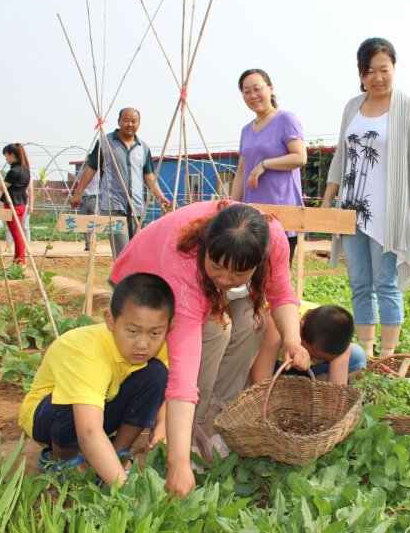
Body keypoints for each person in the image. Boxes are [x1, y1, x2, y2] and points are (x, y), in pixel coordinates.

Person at [108, 200, 308, 496]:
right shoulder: (184, 258)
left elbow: (282, 294)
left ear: (258, 261)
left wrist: (292, 337)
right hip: (146, 283)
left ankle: (214, 422)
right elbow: (183, 375)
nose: (226, 280)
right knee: (217, 326)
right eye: (217, 268)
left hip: (200, 280)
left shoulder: (273, 238)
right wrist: (177, 464)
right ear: (206, 250)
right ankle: (188, 433)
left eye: (238, 275)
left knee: (252, 321)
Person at [321, 37, 410, 360]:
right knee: (359, 283)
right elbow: (341, 155)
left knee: (386, 282)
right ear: (361, 73)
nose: (377, 77)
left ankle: (388, 354)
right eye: (370, 71)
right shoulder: (352, 107)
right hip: (350, 209)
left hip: (388, 212)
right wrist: (328, 201)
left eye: (384, 69)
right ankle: (366, 352)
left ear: (394, 68)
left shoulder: (409, 108)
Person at [18, 273, 174, 487]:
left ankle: (118, 452)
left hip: (99, 407)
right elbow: (89, 431)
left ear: (168, 327)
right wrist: (124, 490)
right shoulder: (86, 352)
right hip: (49, 418)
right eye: (132, 331)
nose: (142, 344)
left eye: (155, 333)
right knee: (73, 402)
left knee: (156, 373)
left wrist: (163, 422)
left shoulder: (157, 345)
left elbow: (166, 388)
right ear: (110, 320)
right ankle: (61, 459)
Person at [70, 108, 170, 259]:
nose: (130, 124)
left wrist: (159, 196)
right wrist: (78, 193)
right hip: (114, 206)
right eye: (126, 120)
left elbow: (148, 175)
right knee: (122, 252)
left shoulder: (143, 147)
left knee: (137, 249)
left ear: (139, 124)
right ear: (119, 122)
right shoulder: (106, 143)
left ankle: (130, 281)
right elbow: (91, 169)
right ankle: (121, 282)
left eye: (134, 121)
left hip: (136, 206)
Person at [231, 69, 307, 265]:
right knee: (251, 276)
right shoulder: (246, 130)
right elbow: (241, 171)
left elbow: (300, 157)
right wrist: (231, 207)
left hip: (282, 214)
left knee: (276, 280)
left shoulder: (285, 119)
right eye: (246, 91)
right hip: (252, 216)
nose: (253, 95)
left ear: (270, 89)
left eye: (257, 89)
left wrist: (265, 164)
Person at [250, 301, 367, 385]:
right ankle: (288, 381)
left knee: (357, 356)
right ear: (300, 328)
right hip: (272, 363)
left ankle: (306, 381)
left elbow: (336, 392)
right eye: (312, 355)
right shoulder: (274, 323)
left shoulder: (336, 333)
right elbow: (259, 383)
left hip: (308, 371)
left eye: (324, 359)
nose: (314, 361)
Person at [0, 144, 31, 264]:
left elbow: (3, 187)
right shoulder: (25, 170)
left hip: (12, 204)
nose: (6, 159)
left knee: (17, 235)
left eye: (6, 156)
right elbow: (9, 182)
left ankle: (20, 262)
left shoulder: (14, 171)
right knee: (19, 233)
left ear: (12, 155)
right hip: (22, 204)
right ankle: (19, 260)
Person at [73, 163, 100, 251]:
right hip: (84, 199)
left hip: (94, 198)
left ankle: (93, 243)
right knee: (84, 224)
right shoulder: (83, 173)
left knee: (96, 222)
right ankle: (88, 244)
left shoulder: (99, 172)